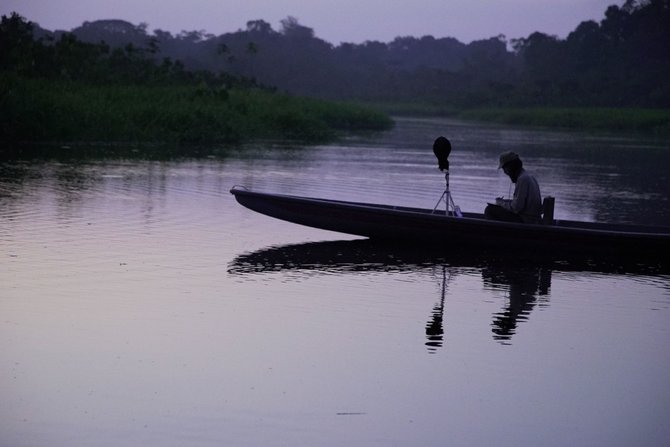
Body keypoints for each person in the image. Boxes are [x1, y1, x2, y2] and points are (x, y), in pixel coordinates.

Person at [485, 151, 542, 224]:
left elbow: (516, 208)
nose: (505, 172)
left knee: (489, 210)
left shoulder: (522, 179)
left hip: (526, 221)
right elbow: (521, 204)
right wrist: (504, 202)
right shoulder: (530, 177)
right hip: (532, 219)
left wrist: (501, 203)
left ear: (511, 166)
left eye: (504, 169)